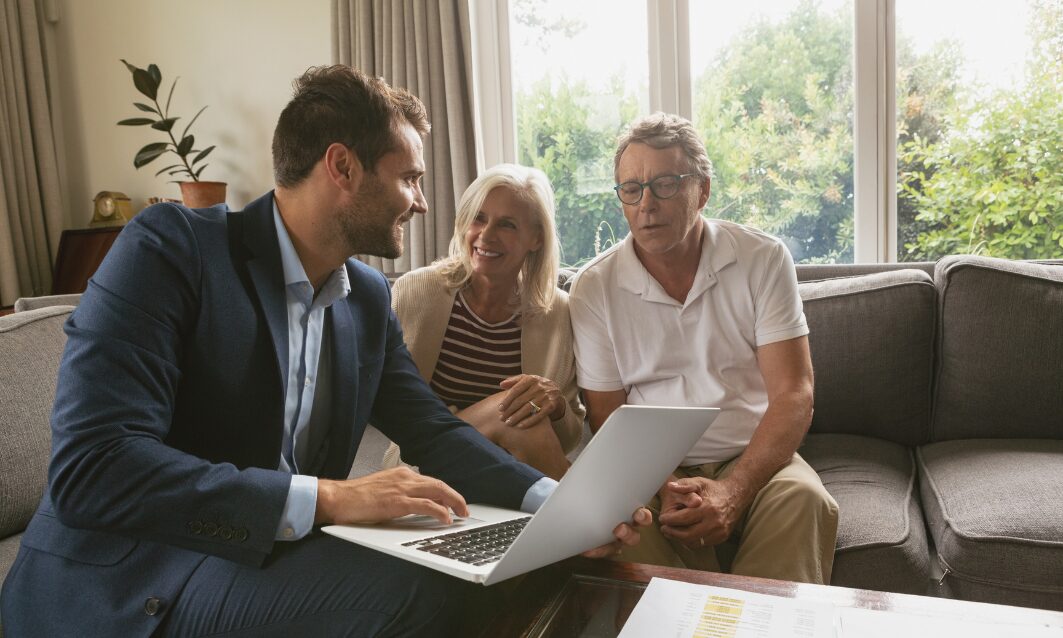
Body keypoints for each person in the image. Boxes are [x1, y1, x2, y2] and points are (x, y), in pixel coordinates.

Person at [0, 65, 648, 637]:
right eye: (409, 178)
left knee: (533, 561)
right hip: (137, 574)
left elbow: (433, 430)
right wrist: (331, 497)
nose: (421, 202)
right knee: (425, 595)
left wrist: (556, 507)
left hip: (268, 554)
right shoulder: (172, 250)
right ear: (342, 167)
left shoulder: (364, 297)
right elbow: (94, 468)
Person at [568, 112, 839, 585]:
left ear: (703, 190)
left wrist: (733, 491)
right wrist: (669, 485)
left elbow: (795, 393)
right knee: (610, 519)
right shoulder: (594, 287)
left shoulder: (762, 258)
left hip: (751, 455)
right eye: (631, 189)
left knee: (805, 499)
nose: (646, 203)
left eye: (665, 184)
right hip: (646, 466)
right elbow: (607, 417)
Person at [384, 164, 583, 480]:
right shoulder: (416, 292)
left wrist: (556, 404)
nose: (486, 235)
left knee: (524, 417)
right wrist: (493, 418)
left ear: (536, 238)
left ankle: (587, 512)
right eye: (479, 218)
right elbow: (391, 406)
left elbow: (568, 438)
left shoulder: (557, 312)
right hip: (425, 462)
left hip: (515, 471)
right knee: (515, 412)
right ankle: (589, 515)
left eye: (507, 224)